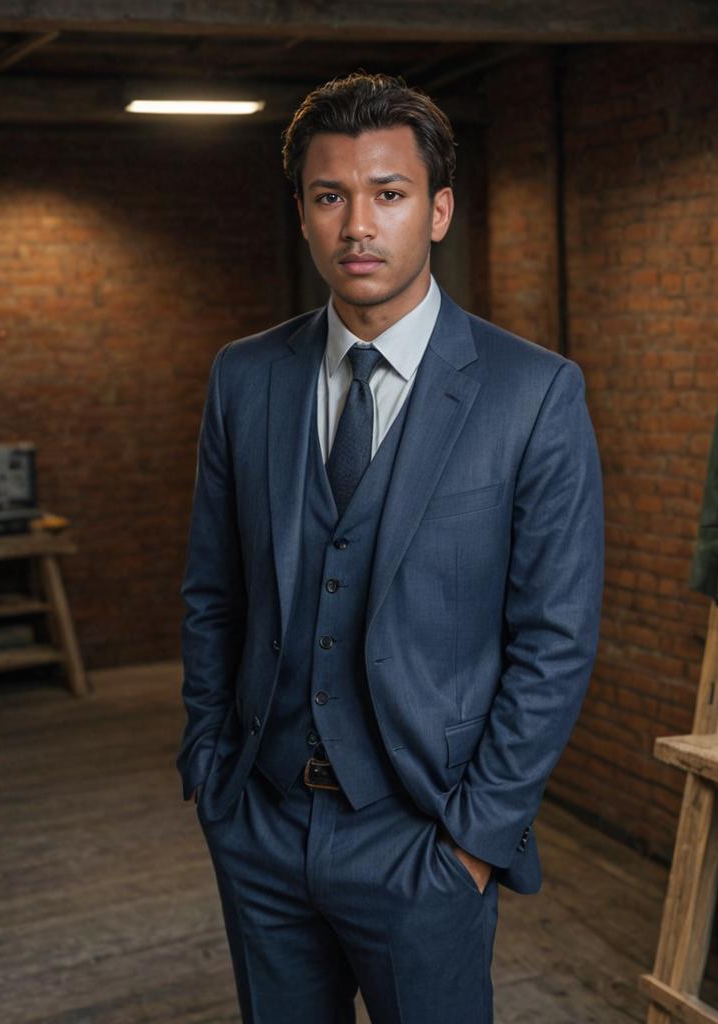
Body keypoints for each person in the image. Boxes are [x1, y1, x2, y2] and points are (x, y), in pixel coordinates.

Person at [177, 72, 604, 1024]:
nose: (357, 225)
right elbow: (215, 592)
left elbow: (555, 638)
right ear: (302, 213)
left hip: (426, 841)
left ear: (439, 210)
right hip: (263, 821)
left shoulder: (532, 393)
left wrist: (475, 841)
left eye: (389, 194)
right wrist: (213, 775)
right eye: (331, 197)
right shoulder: (244, 378)